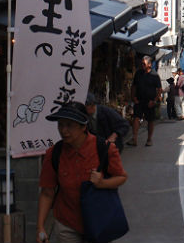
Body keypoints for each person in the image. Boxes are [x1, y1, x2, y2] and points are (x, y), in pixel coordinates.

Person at [36, 102, 127, 243]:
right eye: (60, 125)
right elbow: (47, 192)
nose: (64, 131)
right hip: (67, 222)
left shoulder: (104, 149)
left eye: (70, 125)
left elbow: (121, 177)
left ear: (83, 126)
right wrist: (40, 226)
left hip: (98, 221)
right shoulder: (54, 153)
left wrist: (102, 183)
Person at [129, 56, 162, 147]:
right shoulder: (138, 73)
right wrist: (133, 97)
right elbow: (134, 86)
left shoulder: (155, 75)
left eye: (144, 64)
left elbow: (159, 89)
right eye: (142, 63)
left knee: (150, 121)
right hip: (139, 100)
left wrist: (154, 100)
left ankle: (149, 139)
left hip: (149, 102)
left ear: (150, 65)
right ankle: (134, 138)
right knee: (136, 118)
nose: (142, 65)